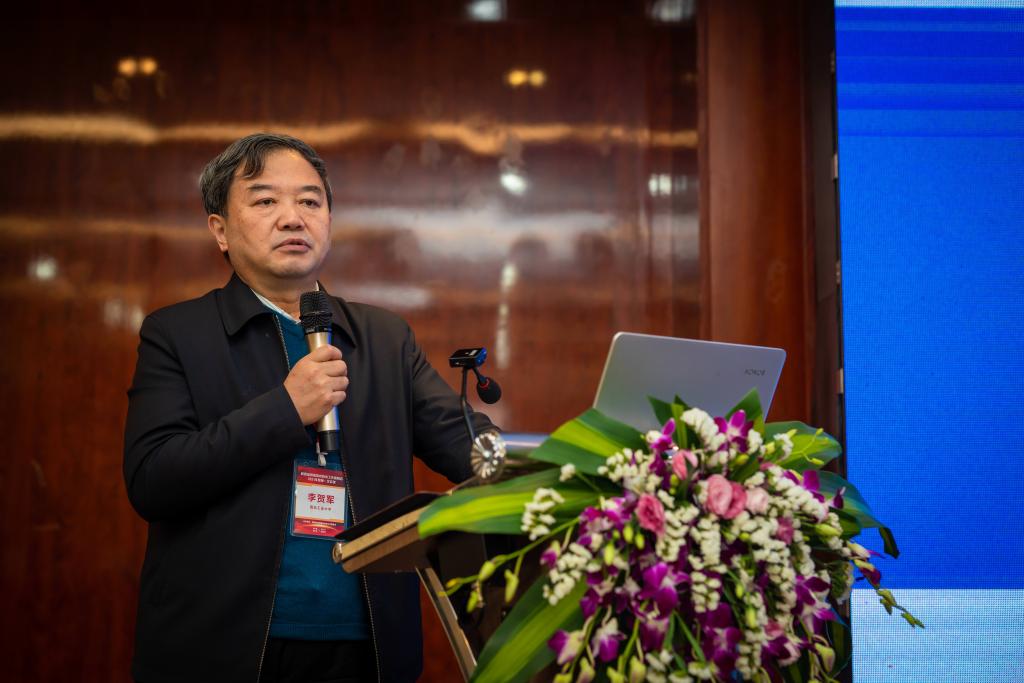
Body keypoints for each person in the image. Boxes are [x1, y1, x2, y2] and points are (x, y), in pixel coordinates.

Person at [123, 133, 495, 683]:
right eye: (265, 200)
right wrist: (286, 408)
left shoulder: (383, 338)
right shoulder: (178, 334)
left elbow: (463, 441)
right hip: (223, 649)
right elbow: (153, 479)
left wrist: (563, 468)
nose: (293, 218)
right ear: (220, 229)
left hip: (366, 647)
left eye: (310, 201)